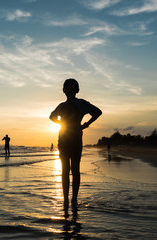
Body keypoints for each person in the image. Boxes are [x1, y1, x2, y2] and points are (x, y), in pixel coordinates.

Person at [50, 78, 102, 210]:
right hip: (66, 139)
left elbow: (52, 116)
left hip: (70, 138)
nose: (69, 90)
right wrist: (84, 125)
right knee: (70, 170)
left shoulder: (76, 104)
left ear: (76, 90)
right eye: (68, 87)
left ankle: (70, 199)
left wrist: (85, 125)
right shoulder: (68, 105)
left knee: (69, 170)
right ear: (64, 90)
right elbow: (51, 116)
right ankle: (69, 199)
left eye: (71, 87)